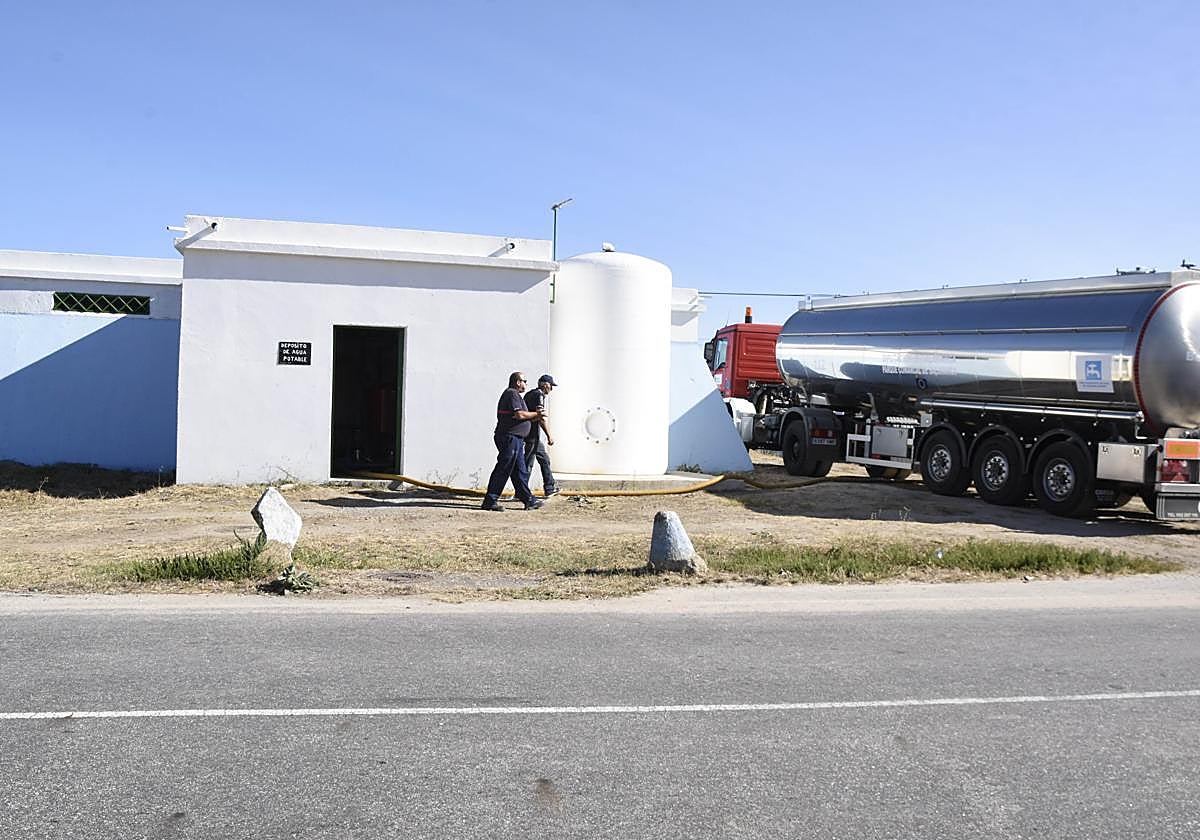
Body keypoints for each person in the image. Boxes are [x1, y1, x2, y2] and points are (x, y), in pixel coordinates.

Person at [481, 372, 544, 511]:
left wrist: (536, 416)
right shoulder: (511, 394)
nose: (526, 384)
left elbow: (523, 417)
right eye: (525, 381)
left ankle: (528, 500)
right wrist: (536, 414)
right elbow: (519, 414)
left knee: (519, 471)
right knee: (504, 468)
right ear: (517, 382)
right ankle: (490, 500)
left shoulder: (516, 396)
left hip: (516, 439)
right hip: (509, 437)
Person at [524, 374, 559, 496]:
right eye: (551, 386)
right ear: (545, 385)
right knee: (529, 463)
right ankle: (522, 491)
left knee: (542, 459)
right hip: (532, 435)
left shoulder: (530, 394)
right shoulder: (539, 395)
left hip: (529, 434)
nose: (551, 389)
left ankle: (549, 488)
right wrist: (549, 435)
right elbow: (541, 417)